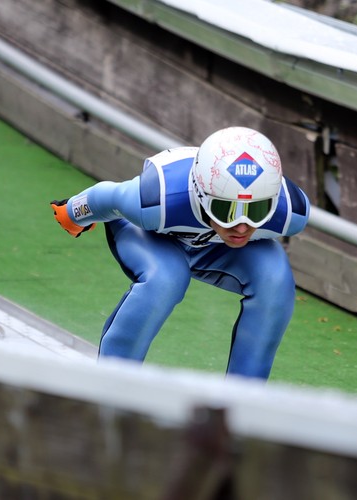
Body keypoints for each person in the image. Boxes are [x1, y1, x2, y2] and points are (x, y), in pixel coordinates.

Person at [51, 126, 310, 380]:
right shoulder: (155, 201)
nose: (241, 226)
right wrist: (72, 213)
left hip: (214, 246)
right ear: (199, 195)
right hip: (154, 238)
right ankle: (112, 387)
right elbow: (107, 196)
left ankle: (242, 403)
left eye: (256, 211)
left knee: (275, 280)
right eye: (226, 211)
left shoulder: (290, 214)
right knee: (166, 278)